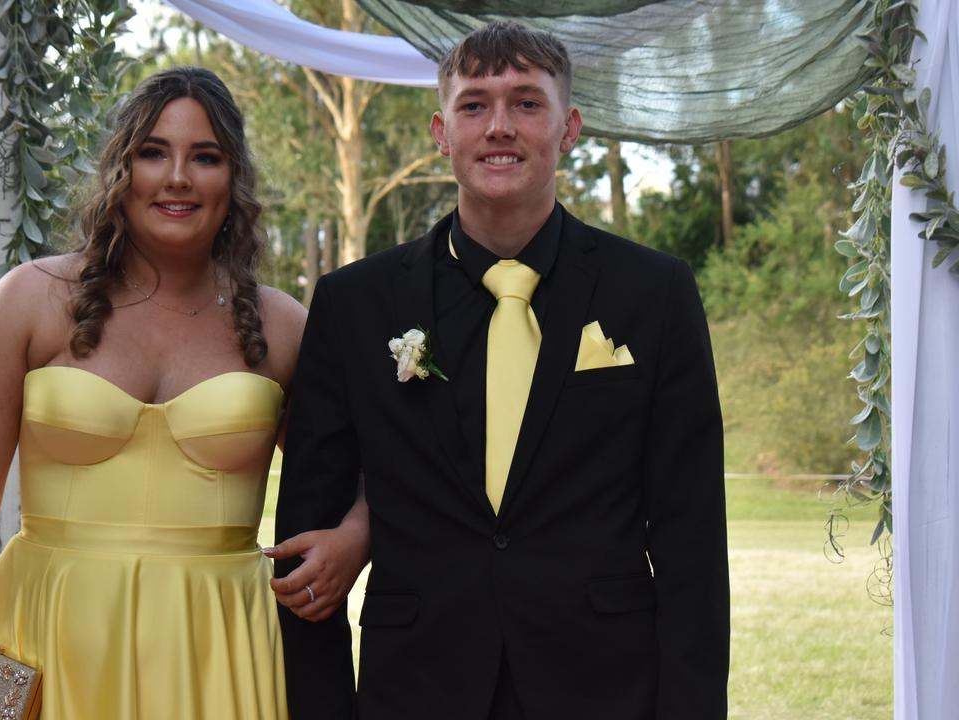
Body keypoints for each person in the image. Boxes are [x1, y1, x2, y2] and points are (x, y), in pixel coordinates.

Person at [273, 21, 729, 720]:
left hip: (604, 689)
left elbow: (691, 538)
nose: (499, 126)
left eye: (526, 103)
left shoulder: (655, 294)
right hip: (415, 690)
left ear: (569, 127)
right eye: (474, 105)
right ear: (441, 131)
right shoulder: (354, 305)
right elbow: (306, 549)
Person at [0, 66, 370, 720]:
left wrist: (358, 533)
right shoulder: (30, 302)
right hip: (56, 635)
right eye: (154, 152)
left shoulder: (283, 325)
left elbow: (377, 464)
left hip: (221, 650)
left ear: (233, 180)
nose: (177, 176)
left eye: (204, 157)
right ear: (120, 170)